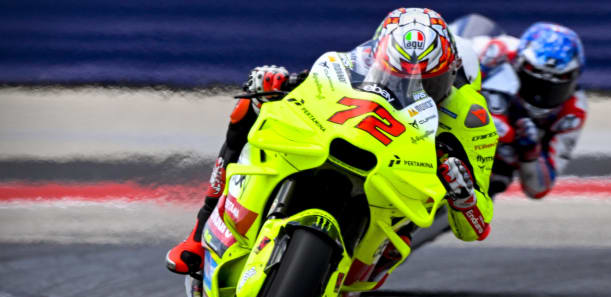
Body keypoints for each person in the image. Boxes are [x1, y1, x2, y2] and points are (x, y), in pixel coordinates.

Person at [166, 8, 498, 282]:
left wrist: (464, 193)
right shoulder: (353, 64)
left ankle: (343, 287)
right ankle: (197, 235)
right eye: (398, 75)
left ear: (453, 76)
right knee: (251, 107)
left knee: (396, 246)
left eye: (430, 81)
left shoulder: (471, 119)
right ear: (377, 57)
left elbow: (477, 228)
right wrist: (275, 81)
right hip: (345, 145)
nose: (414, 87)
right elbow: (310, 84)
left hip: (396, 191)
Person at [468, 22, 586, 199]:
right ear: (519, 63)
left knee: (496, 180)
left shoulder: (573, 111)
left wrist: (531, 152)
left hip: (495, 159)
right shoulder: (495, 51)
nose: (541, 93)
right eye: (534, 79)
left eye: (555, 84)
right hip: (462, 116)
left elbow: (538, 188)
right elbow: (449, 53)